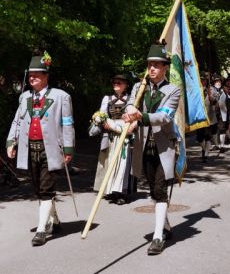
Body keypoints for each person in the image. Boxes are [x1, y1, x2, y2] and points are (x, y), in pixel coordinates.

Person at [6, 50, 75, 246]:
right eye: (30, 75)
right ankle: (55, 221)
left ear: (46, 76)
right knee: (39, 189)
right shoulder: (24, 97)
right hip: (30, 150)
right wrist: (11, 142)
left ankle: (41, 230)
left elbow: (68, 123)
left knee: (46, 189)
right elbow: (17, 122)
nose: (32, 78)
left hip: (51, 149)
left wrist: (68, 149)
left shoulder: (61, 96)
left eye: (36, 74)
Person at [123, 42, 180, 255]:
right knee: (153, 190)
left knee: (160, 188)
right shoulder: (140, 87)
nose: (152, 69)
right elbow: (131, 103)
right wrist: (129, 111)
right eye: (150, 65)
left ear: (165, 67)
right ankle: (164, 224)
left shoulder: (173, 90)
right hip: (143, 146)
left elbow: (164, 116)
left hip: (163, 147)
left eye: (157, 65)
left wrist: (141, 117)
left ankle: (157, 237)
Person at [90, 74, 135, 205]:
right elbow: (102, 114)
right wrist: (102, 121)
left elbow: (134, 117)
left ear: (126, 85)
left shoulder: (130, 100)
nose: (116, 84)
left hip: (125, 136)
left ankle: (121, 192)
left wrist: (127, 128)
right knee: (109, 163)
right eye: (114, 82)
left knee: (123, 164)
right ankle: (110, 190)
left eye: (119, 82)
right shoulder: (107, 98)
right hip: (109, 136)